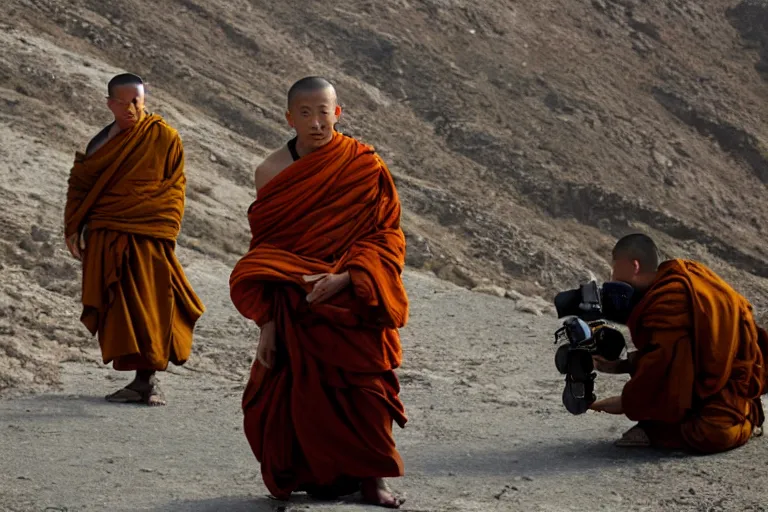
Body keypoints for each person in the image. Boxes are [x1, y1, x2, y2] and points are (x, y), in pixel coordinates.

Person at [229, 76, 408, 508]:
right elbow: (267, 253)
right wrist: (266, 326)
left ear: (338, 113)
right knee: (301, 397)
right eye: (305, 114)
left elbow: (387, 237)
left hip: (354, 299)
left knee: (367, 391)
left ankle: (373, 480)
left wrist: (346, 278)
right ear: (289, 117)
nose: (315, 122)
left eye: (323, 112)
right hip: (297, 304)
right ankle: (320, 476)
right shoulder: (270, 172)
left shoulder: (364, 165)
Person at [64, 73, 205, 406]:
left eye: (138, 100)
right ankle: (139, 381)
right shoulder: (99, 144)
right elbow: (80, 185)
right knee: (118, 307)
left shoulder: (164, 137)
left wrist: (160, 221)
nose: (133, 107)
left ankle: (148, 380)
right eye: (125, 101)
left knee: (153, 304)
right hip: (107, 236)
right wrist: (72, 227)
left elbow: (175, 188)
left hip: (148, 236)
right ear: (110, 104)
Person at [590, 233, 767, 453]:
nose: (613, 277)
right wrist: (621, 365)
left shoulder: (672, 296)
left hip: (723, 393)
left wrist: (627, 402)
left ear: (633, 266)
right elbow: (671, 355)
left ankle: (741, 419)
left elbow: (662, 363)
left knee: (713, 434)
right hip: (704, 386)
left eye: (615, 268)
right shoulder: (677, 280)